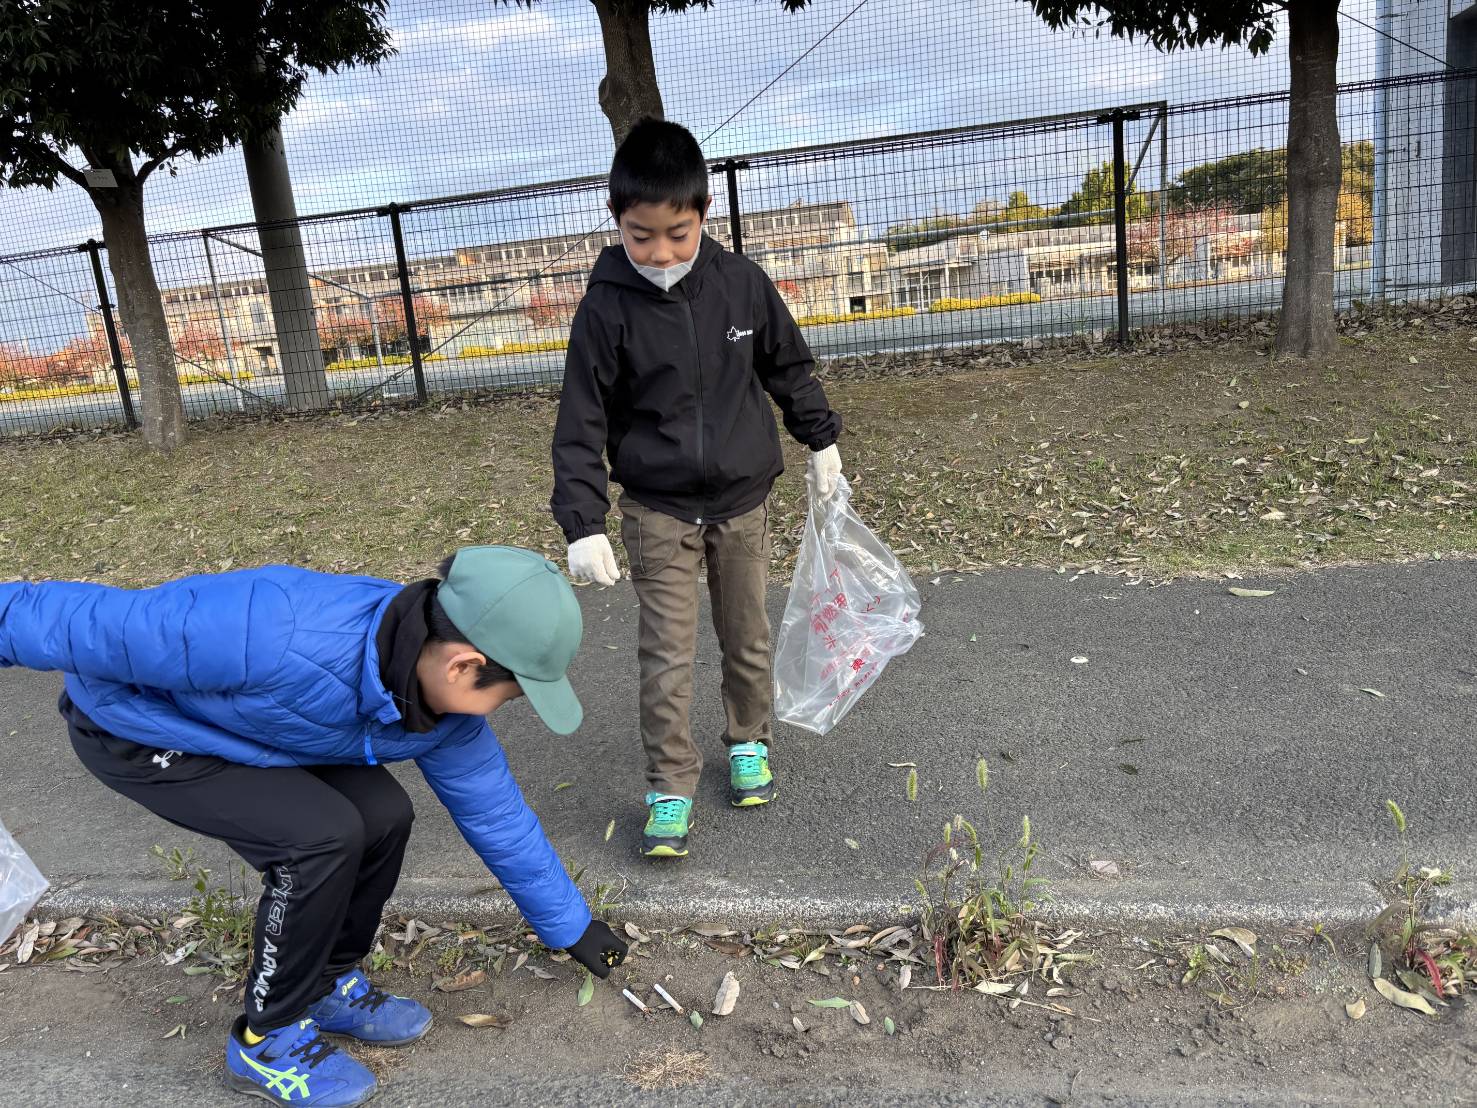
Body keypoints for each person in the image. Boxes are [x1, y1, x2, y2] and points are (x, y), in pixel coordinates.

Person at [0, 546, 627, 1107]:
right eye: (513, 695)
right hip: (131, 732)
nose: (507, 710)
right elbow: (64, 616)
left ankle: (325, 984)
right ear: (464, 664)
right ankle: (263, 1037)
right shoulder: (270, 627)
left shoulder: (441, 711)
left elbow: (496, 814)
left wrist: (569, 924)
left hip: (250, 736)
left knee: (384, 815)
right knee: (319, 837)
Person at [551, 117, 845, 859]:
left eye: (676, 233)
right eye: (640, 234)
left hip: (742, 502)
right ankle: (670, 785)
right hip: (657, 510)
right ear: (615, 220)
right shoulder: (605, 308)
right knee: (666, 656)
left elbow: (787, 367)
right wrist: (581, 522)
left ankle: (748, 741)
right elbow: (580, 419)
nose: (658, 252)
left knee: (745, 635)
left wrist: (822, 441)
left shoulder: (741, 285)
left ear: (702, 214)